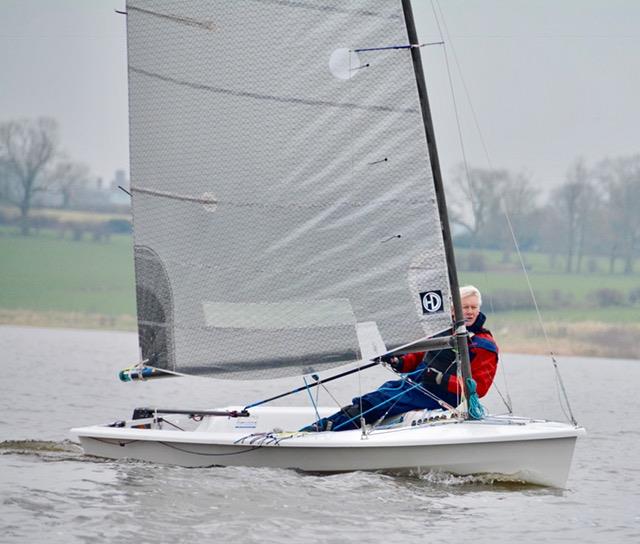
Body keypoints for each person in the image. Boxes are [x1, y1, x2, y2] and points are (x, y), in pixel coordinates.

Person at [302, 285, 498, 432]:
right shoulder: (443, 332)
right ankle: (322, 429)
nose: (470, 312)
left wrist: (441, 379)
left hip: (439, 396)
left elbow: (479, 388)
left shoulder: (483, 344)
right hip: (417, 384)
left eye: (474, 307)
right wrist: (398, 361)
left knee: (377, 401)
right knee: (371, 399)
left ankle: (325, 430)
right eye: (465, 307)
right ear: (453, 310)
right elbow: (418, 357)